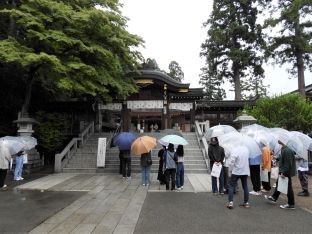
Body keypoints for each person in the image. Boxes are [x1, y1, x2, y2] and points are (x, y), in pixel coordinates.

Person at [265, 138, 296, 209]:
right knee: (279, 184)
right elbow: (283, 159)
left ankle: (291, 204)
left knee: (288, 188)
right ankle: (274, 197)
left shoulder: (287, 150)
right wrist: (276, 158)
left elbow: (288, 164)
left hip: (285, 172)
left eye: (280, 139)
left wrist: (283, 172)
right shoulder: (284, 148)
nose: (278, 140)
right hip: (284, 171)